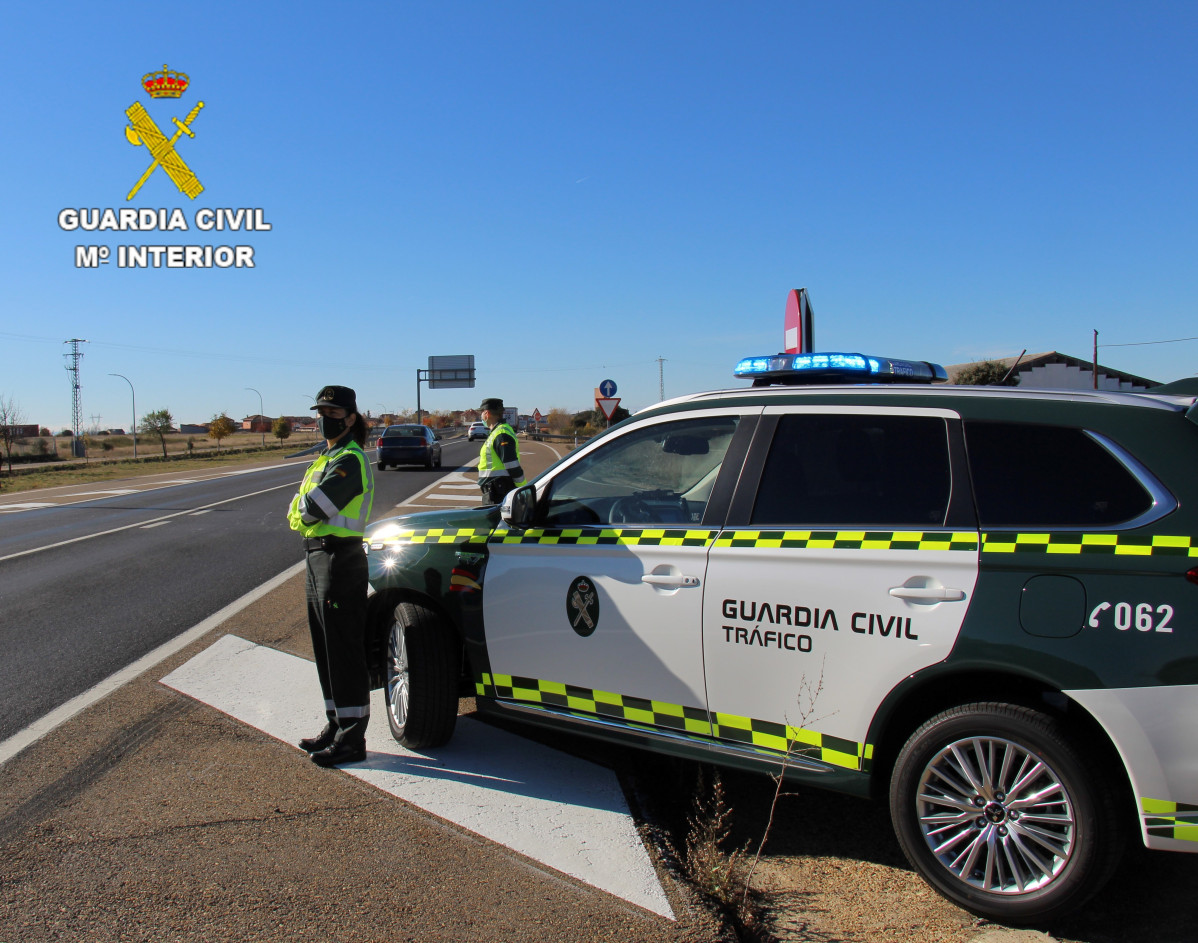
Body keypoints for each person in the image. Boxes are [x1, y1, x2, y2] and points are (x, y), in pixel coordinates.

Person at [287, 384, 375, 767]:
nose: (324, 419)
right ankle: (336, 723)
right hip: (317, 557)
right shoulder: (329, 456)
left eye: (333, 414)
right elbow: (301, 507)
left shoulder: (350, 460)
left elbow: (313, 508)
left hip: (340, 560)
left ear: (351, 418)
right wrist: (301, 511)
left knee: (343, 650)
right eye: (320, 413)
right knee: (325, 650)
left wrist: (302, 512)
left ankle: (353, 739)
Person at [476, 397, 526, 504]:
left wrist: (524, 490)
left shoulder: (501, 434)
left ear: (487, 413)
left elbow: (512, 465)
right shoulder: (498, 432)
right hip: (496, 489)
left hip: (498, 491)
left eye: (481, 412)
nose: (481, 416)